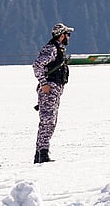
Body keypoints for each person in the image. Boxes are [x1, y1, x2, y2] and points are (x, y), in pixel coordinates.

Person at [33, 22, 74, 163]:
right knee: (47, 121)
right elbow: (37, 65)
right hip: (49, 90)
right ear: (62, 35)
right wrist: (44, 84)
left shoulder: (59, 49)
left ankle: (39, 154)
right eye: (67, 34)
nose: (69, 37)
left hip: (54, 91)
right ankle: (42, 154)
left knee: (49, 121)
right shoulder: (51, 49)